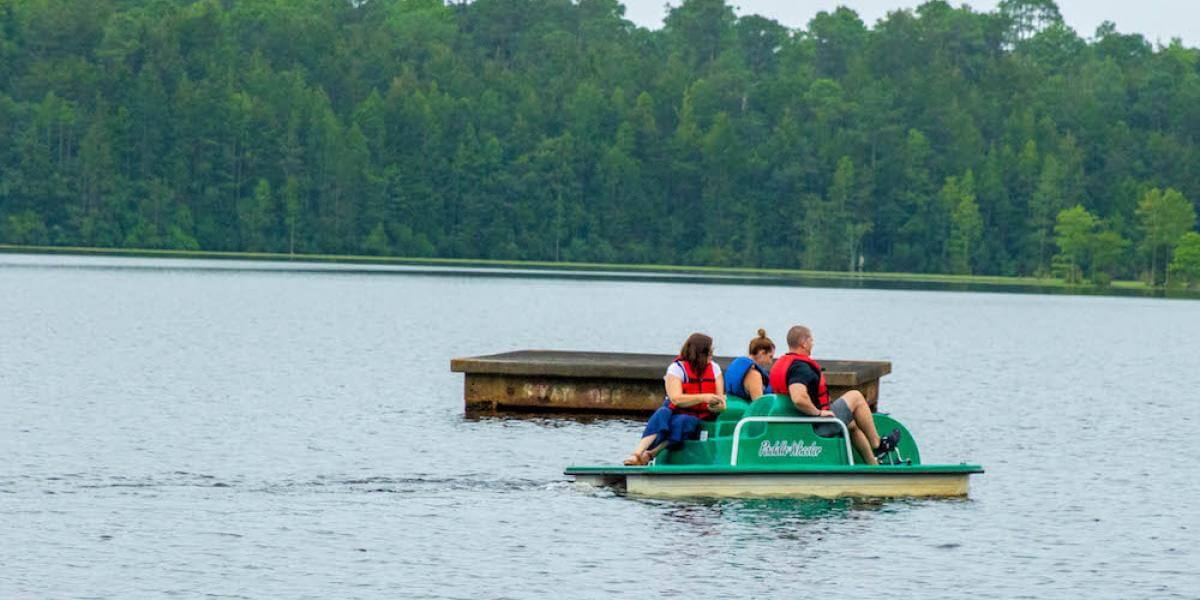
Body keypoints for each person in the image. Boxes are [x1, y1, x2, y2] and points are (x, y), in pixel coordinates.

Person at [768, 325, 900, 465]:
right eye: (811, 340)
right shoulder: (800, 367)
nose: (812, 344)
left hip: (796, 422)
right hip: (814, 426)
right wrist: (818, 413)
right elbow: (798, 398)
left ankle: (873, 465)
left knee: (852, 425)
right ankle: (878, 444)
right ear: (804, 343)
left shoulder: (782, 363)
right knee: (855, 397)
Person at [623, 333, 726, 466]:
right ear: (699, 353)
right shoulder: (677, 369)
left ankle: (650, 454)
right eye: (709, 352)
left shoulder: (715, 368)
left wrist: (718, 406)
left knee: (683, 422)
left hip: (697, 415)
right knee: (662, 413)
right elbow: (676, 399)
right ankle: (637, 453)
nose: (712, 354)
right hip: (676, 410)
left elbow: (721, 400)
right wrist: (703, 397)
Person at [724, 329, 775, 400]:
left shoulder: (735, 365)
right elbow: (759, 408)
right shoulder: (754, 375)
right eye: (770, 357)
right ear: (762, 353)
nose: (770, 362)